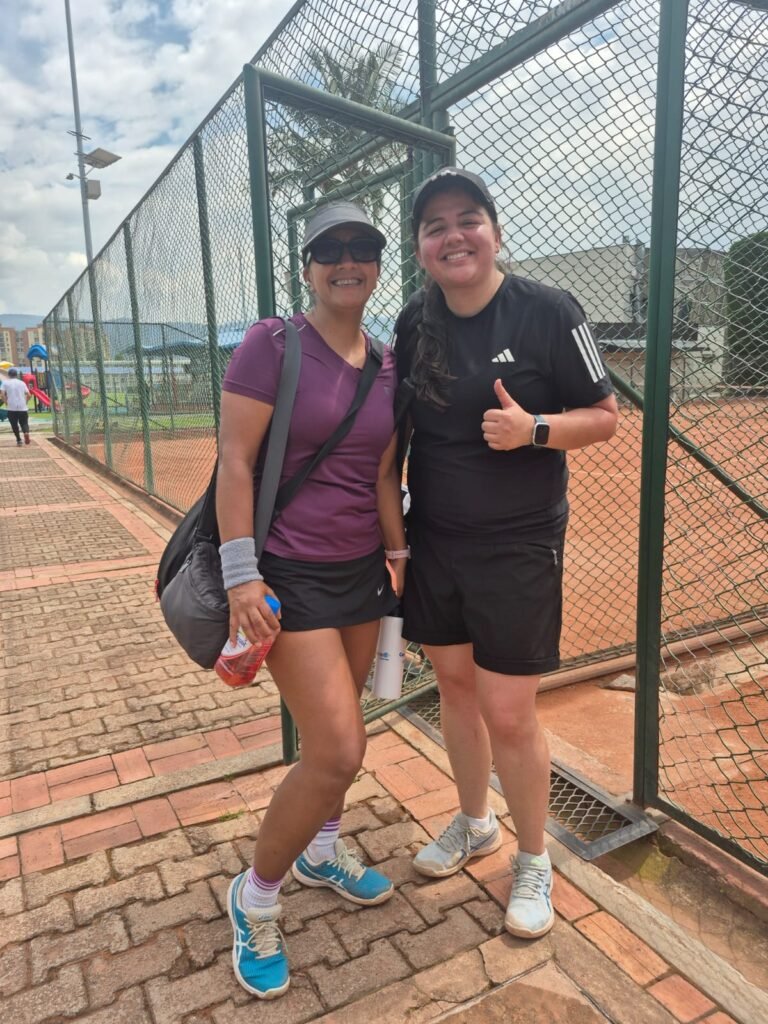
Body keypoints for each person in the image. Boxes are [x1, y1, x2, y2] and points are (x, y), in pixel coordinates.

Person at [394, 168, 619, 939]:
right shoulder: (413, 322)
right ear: (421, 249)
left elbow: (604, 416)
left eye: (468, 219)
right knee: (454, 689)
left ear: (494, 231)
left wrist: (535, 431)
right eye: (435, 226)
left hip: (519, 545)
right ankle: (474, 821)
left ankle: (533, 858)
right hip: (435, 542)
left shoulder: (550, 311)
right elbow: (395, 432)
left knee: (511, 711)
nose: (453, 236)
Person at [216, 201, 408, 1000]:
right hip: (287, 577)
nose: (347, 261)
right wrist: (241, 576)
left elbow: (382, 473)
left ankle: (322, 851)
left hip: (362, 572)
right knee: (335, 749)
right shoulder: (273, 344)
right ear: (308, 268)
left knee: (350, 729)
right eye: (330, 250)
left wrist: (398, 556)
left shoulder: (387, 363)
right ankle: (255, 896)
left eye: (362, 247)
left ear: (377, 266)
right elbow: (234, 459)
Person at [0, 368, 31, 446]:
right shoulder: (22, 383)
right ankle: (26, 432)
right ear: (16, 375)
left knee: (14, 424)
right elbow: (29, 395)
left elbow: (2, 394)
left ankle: (19, 440)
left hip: (11, 407)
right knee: (24, 423)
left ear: (9, 375)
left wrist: (6, 402)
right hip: (22, 407)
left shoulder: (5, 383)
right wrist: (25, 402)